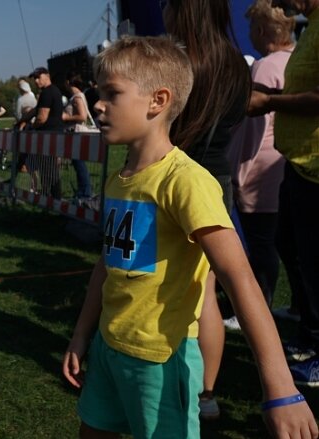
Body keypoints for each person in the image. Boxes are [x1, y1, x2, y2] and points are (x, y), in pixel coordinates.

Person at [62, 35, 317, 439]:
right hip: (110, 350)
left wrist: (280, 387)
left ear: (157, 101)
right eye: (97, 92)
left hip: (161, 360)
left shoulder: (186, 182)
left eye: (112, 93)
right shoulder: (118, 178)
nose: (97, 104)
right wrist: (81, 335)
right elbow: (107, 265)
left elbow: (240, 279)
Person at [163, 0, 252, 420]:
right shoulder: (235, 63)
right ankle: (205, 394)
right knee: (206, 295)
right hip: (217, 180)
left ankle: (160, 376)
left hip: (173, 180)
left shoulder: (176, 58)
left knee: (159, 283)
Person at [249, 0, 319, 387]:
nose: (278, 2)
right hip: (298, 163)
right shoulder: (311, 28)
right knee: (291, 247)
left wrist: (269, 102)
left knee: (312, 259)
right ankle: (309, 335)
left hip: (314, 167)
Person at [226, 0, 295, 324]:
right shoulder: (295, 60)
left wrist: (238, 171)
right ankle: (297, 304)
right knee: (288, 243)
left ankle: (256, 308)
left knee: (261, 244)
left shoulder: (265, 67)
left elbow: (252, 129)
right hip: (286, 165)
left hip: (260, 171)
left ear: (262, 30)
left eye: (253, 28)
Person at [29, 67, 64, 197]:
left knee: (48, 168)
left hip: (48, 135)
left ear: (47, 75)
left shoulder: (47, 92)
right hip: (56, 133)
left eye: (39, 77)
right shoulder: (55, 91)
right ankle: (51, 196)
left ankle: (53, 197)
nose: (36, 81)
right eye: (34, 78)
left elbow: (42, 117)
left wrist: (32, 126)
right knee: (51, 168)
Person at [62, 72, 97, 202]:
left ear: (68, 82)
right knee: (77, 164)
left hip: (75, 133)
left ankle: (85, 192)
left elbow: (82, 116)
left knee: (79, 164)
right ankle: (83, 191)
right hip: (73, 133)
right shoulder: (77, 96)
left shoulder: (77, 97)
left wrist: (66, 117)